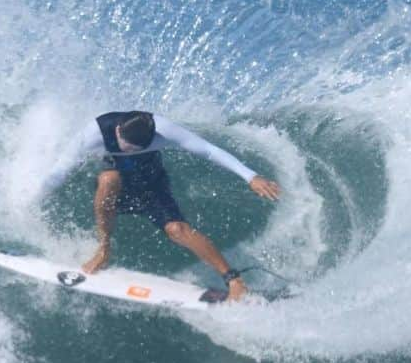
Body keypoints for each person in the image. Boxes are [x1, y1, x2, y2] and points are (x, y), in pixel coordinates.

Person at [39, 111, 281, 301]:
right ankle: (104, 249)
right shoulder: (94, 133)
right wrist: (34, 195)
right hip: (114, 189)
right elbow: (60, 169)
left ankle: (234, 280)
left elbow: (208, 150)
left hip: (151, 187)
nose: (132, 151)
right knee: (109, 178)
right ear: (118, 130)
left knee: (177, 230)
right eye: (128, 147)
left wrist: (251, 176)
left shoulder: (163, 131)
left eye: (139, 149)